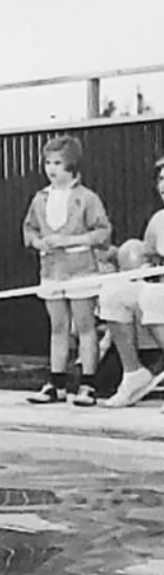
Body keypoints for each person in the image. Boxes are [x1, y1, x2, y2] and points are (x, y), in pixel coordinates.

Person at [21, 136, 112, 406]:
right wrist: (38, 242)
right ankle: (56, 383)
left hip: (80, 270)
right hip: (51, 271)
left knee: (84, 326)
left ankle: (87, 384)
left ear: (71, 164)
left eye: (58, 163)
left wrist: (70, 241)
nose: (52, 169)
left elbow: (103, 231)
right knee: (57, 327)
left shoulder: (86, 198)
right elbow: (29, 228)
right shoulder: (40, 198)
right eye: (48, 162)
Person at [99, 155, 164, 410]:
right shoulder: (159, 220)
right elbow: (146, 255)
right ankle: (134, 373)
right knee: (114, 292)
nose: (163, 186)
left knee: (152, 296)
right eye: (161, 179)